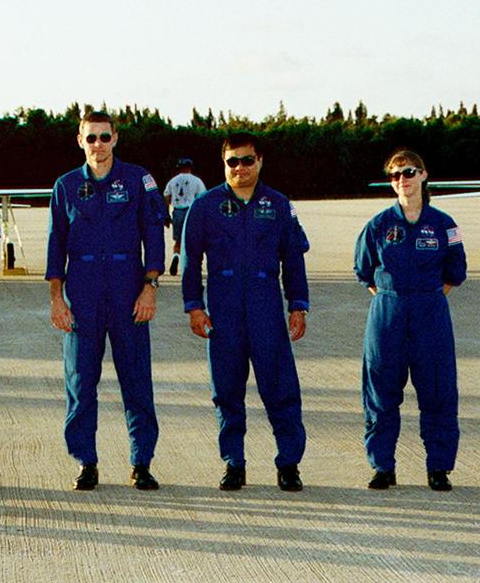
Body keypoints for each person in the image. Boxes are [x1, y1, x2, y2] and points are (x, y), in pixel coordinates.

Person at [180, 132, 309, 492]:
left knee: (280, 387)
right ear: (224, 165)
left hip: (266, 304)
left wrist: (298, 304)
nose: (240, 168)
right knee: (227, 390)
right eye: (232, 161)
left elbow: (294, 261)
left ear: (260, 161)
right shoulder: (204, 206)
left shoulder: (279, 204)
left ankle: (289, 463)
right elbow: (191, 263)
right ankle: (233, 462)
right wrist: (194, 306)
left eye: (247, 160)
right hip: (223, 310)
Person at [46, 111, 166, 491]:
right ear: (80, 141)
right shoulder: (65, 186)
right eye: (91, 138)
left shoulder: (137, 180)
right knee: (81, 381)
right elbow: (55, 245)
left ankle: (142, 461)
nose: (98, 145)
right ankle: (86, 461)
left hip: (128, 291)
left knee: (136, 381)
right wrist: (56, 299)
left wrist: (150, 286)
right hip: (82, 293)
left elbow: (154, 235)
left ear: (115, 139)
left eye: (104, 137)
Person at [354, 149, 466, 491]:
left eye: (409, 172)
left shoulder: (444, 225)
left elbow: (455, 272)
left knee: (438, 390)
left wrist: (425, 298)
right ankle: (383, 466)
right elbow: (365, 272)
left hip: (430, 314)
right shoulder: (378, 225)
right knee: (381, 392)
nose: (402, 179)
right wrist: (393, 298)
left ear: (423, 175)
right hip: (387, 314)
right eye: (395, 175)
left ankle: (439, 468)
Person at [163, 157, 206, 276]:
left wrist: (166, 215)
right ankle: (193, 265)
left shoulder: (173, 181)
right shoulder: (196, 181)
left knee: (178, 240)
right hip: (191, 211)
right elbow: (202, 197)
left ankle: (176, 256)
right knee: (194, 240)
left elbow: (167, 196)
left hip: (177, 211)